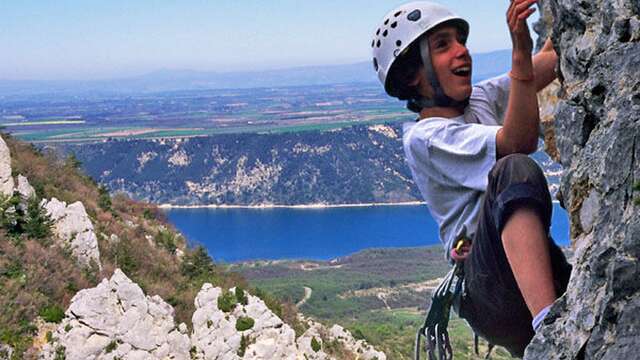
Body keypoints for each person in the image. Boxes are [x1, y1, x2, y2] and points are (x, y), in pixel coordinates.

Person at [371, 1, 572, 357]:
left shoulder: (477, 99)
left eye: (460, 40)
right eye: (442, 45)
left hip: (514, 276)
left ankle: (548, 327)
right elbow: (518, 143)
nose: (461, 50)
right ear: (411, 76)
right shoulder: (426, 137)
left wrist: (566, 17)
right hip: (488, 292)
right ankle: (551, 332)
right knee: (513, 170)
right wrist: (519, 53)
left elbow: (550, 63)